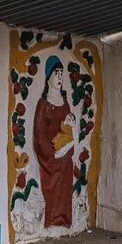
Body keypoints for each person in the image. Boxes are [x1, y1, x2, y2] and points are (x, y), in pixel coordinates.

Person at [31, 55, 79, 228]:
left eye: (61, 73)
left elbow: (68, 126)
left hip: (65, 158)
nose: (59, 77)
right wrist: (52, 156)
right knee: (52, 195)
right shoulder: (43, 104)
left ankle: (64, 222)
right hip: (51, 160)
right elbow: (39, 135)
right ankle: (51, 223)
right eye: (56, 73)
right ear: (48, 76)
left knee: (65, 192)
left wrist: (70, 126)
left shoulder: (65, 101)